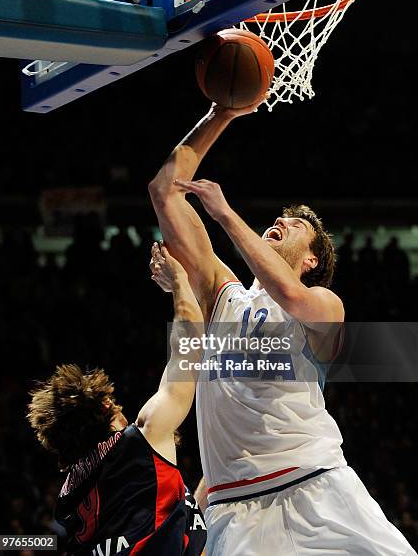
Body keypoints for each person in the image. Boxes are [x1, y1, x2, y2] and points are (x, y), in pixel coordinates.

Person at [148, 102, 417, 555]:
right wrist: (223, 113)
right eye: (279, 218)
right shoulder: (223, 295)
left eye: (293, 227)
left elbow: (290, 296)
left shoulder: (324, 307)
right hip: (234, 507)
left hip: (315, 486)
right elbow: (164, 190)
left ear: (311, 261)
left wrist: (225, 214)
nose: (279, 222)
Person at [27, 244, 207, 556]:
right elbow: (188, 348)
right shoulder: (141, 441)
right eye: (116, 402)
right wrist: (178, 281)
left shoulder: (71, 496)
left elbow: (184, 513)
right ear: (107, 407)